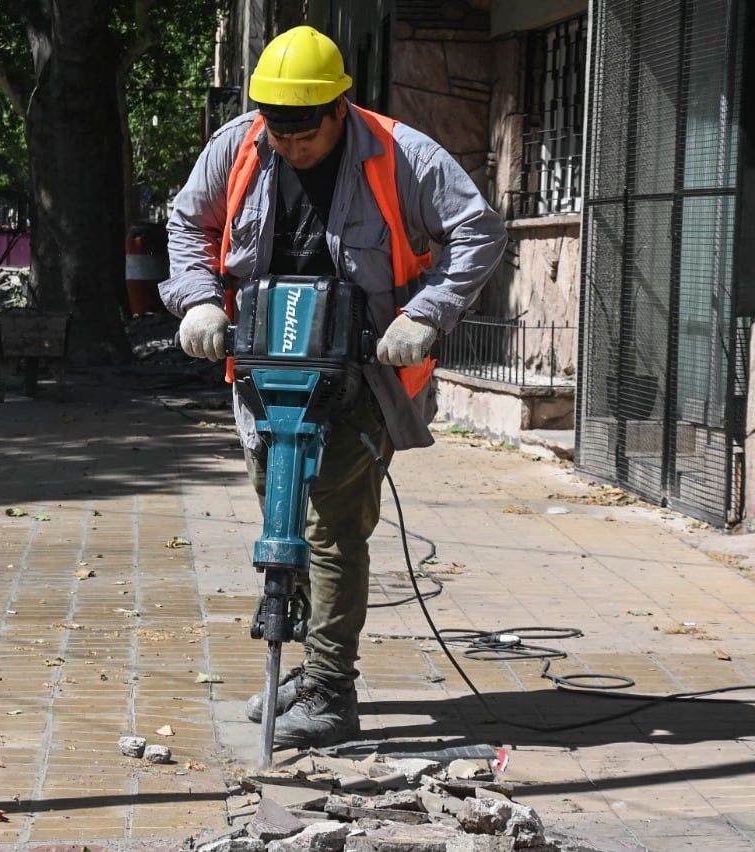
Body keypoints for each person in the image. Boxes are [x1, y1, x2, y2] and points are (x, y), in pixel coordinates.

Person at [161, 25, 506, 748]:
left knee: (331, 529)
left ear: (339, 107)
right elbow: (189, 222)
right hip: (264, 370)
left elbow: (477, 230)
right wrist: (197, 299)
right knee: (280, 521)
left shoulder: (400, 153)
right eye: (277, 130)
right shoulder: (239, 144)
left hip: (357, 375)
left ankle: (331, 690)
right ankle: (310, 664)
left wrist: (425, 314)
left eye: (303, 132)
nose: (288, 145)